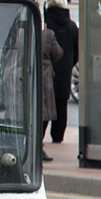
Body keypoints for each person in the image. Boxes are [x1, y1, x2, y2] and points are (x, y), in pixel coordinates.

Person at [45, 0, 79, 144]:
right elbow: (77, 51)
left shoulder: (44, 23)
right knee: (61, 103)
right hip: (65, 71)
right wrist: (68, 63)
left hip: (46, 71)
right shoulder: (71, 27)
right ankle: (58, 135)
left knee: (45, 102)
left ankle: (41, 135)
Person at [40, 27, 60, 161]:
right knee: (44, 112)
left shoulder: (20, 28)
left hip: (25, 74)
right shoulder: (48, 34)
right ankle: (38, 146)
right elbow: (57, 53)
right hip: (44, 77)